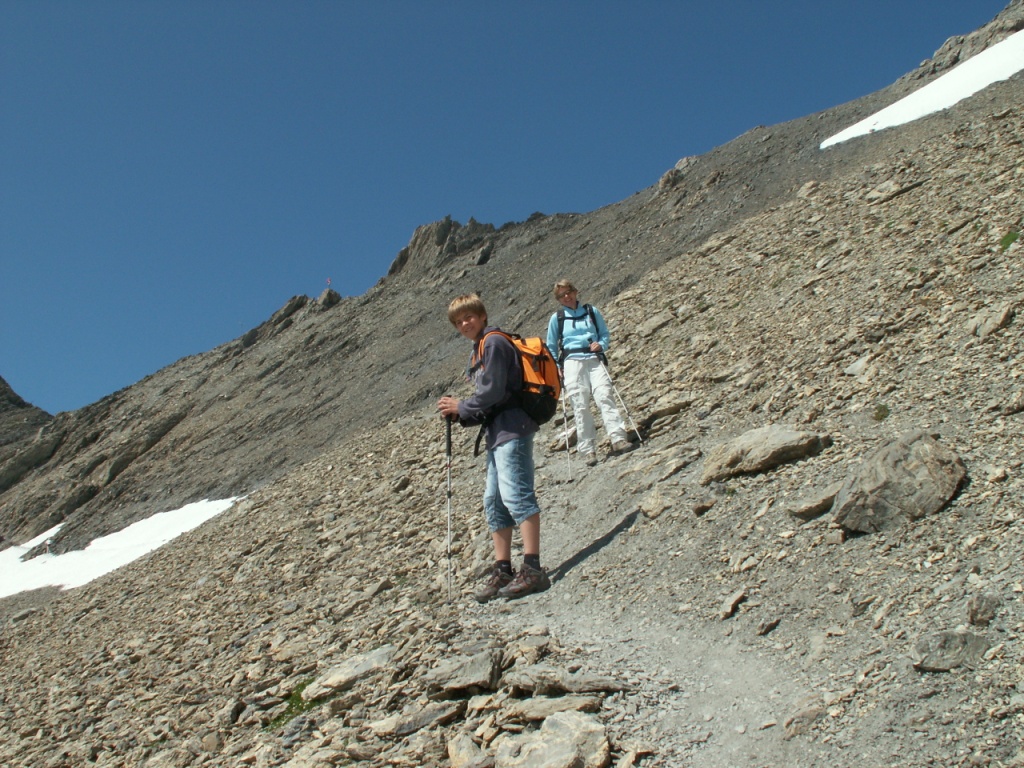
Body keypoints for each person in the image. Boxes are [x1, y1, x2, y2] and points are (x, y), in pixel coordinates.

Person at [438, 294, 551, 603]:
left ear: (482, 316)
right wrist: (461, 413)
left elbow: (493, 391)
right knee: (494, 501)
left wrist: (461, 405)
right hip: (498, 431)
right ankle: (503, 568)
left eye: (469, 317)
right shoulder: (480, 349)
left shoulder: (494, 344)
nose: (464, 324)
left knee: (516, 494)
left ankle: (533, 568)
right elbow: (491, 400)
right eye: (458, 321)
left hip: (513, 428)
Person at [546, 280, 631, 466]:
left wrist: (601, 344)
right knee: (579, 402)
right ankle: (587, 449)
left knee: (604, 394)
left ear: (575, 291)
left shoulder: (592, 311)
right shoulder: (557, 318)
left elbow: (604, 334)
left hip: (593, 358)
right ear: (558, 299)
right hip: (571, 361)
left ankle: (618, 438)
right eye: (561, 295)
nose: (566, 297)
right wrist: (556, 367)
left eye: (568, 292)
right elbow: (551, 346)